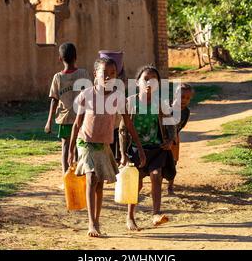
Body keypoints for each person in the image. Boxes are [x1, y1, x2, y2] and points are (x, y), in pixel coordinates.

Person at [68, 57, 146, 238]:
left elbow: (128, 124)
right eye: (105, 73)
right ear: (96, 74)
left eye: (113, 74)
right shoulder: (87, 95)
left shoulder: (118, 97)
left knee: (100, 184)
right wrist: (71, 149)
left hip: (103, 145)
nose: (109, 77)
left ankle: (97, 219)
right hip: (85, 142)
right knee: (91, 178)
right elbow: (77, 124)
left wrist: (139, 147)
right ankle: (91, 223)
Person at [119, 65, 176, 231]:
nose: (149, 83)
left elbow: (171, 123)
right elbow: (123, 130)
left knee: (157, 176)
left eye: (154, 80)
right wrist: (123, 154)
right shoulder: (131, 102)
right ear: (137, 83)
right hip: (136, 148)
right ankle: (130, 216)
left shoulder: (160, 104)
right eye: (145, 79)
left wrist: (171, 140)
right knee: (136, 183)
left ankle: (156, 214)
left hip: (156, 147)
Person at [45, 43, 92, 179]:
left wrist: (48, 122)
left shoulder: (58, 77)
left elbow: (54, 100)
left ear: (60, 58)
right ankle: (76, 174)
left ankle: (67, 174)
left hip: (67, 118)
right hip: (80, 118)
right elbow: (91, 95)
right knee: (79, 145)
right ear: (76, 57)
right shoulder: (83, 73)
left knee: (66, 146)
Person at [98, 51, 127, 163]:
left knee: (112, 145)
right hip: (110, 122)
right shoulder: (118, 81)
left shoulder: (119, 82)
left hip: (114, 121)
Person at [167, 83, 194, 195]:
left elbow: (180, 127)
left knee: (173, 162)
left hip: (174, 139)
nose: (184, 100)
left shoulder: (186, 112)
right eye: (182, 97)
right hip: (162, 138)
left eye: (187, 98)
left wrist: (174, 138)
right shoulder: (167, 109)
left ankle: (170, 187)